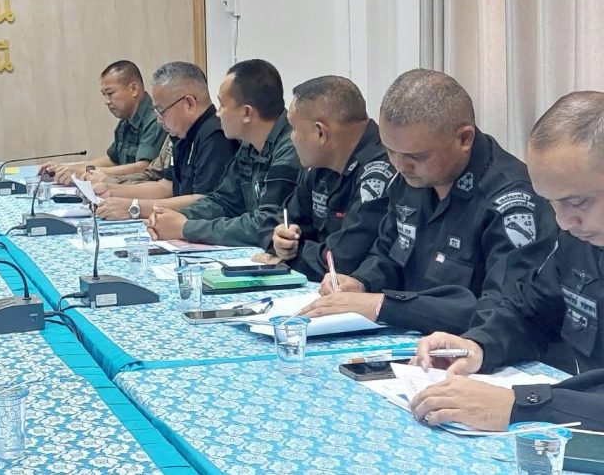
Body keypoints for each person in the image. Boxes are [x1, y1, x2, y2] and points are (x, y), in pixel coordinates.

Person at [300, 69, 556, 335]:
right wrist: (361, 283)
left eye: (416, 156)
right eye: (390, 151)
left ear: (464, 139)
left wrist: (384, 305)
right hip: (409, 337)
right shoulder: (412, 177)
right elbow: (387, 253)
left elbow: (503, 311)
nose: (400, 166)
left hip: (471, 348)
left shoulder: (512, 202)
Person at [409, 92, 604, 431]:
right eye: (552, 203)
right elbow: (532, 311)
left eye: (577, 202)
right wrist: (478, 345)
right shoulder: (580, 238)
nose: (563, 222)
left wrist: (526, 405)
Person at [146, 59, 299, 247]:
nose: (217, 113)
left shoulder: (291, 148)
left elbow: (266, 224)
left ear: (246, 113)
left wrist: (186, 228)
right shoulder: (249, 146)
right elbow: (223, 201)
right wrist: (173, 218)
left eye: (222, 105)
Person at [258, 76, 394, 281]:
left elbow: (341, 260)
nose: (291, 138)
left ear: (320, 133)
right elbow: (278, 219)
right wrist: (278, 240)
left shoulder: (380, 171)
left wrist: (289, 257)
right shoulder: (320, 162)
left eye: (294, 128)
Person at [91, 61, 236, 220]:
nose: (159, 120)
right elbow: (166, 187)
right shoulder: (182, 134)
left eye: (161, 111)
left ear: (189, 104)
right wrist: (110, 190)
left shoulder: (216, 137)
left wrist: (134, 207)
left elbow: (204, 202)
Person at [42, 60, 167, 185]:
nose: (107, 101)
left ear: (133, 89)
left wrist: (82, 171)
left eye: (110, 93)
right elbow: (112, 159)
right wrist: (68, 168)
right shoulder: (126, 120)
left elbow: (143, 168)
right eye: (104, 95)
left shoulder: (155, 119)